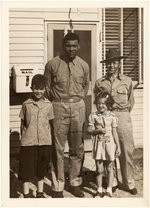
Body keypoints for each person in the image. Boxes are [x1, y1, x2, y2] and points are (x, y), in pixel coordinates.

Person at [44, 32, 89, 198]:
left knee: (77, 148)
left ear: (78, 46)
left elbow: (85, 86)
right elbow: (47, 89)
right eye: (68, 46)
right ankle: (58, 186)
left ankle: (75, 183)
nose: (71, 49)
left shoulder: (84, 65)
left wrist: (75, 100)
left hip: (78, 107)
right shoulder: (52, 64)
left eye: (74, 46)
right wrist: (59, 102)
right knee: (58, 148)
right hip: (59, 106)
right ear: (63, 46)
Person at [94, 48, 137, 195]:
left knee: (126, 151)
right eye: (109, 63)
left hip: (123, 117)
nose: (112, 66)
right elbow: (98, 102)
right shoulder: (100, 82)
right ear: (106, 64)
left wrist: (121, 115)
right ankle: (111, 182)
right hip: (106, 118)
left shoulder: (127, 81)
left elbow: (131, 102)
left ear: (119, 63)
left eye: (115, 62)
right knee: (108, 151)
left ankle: (128, 182)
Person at [18, 74, 54, 198]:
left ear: (45, 89)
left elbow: (50, 124)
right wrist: (23, 140)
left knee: (41, 169)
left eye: (41, 88)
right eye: (36, 88)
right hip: (29, 142)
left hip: (44, 142)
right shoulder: (26, 105)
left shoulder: (49, 105)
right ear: (31, 88)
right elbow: (22, 125)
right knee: (26, 169)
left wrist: (49, 140)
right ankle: (27, 194)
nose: (39, 91)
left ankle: (39, 192)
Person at [87, 92, 121, 198]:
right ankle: (99, 190)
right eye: (98, 103)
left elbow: (115, 132)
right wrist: (97, 131)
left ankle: (109, 190)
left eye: (103, 103)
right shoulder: (93, 116)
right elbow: (88, 130)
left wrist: (118, 146)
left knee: (110, 168)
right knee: (99, 169)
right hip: (99, 145)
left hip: (110, 145)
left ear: (109, 104)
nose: (100, 105)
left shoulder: (112, 116)